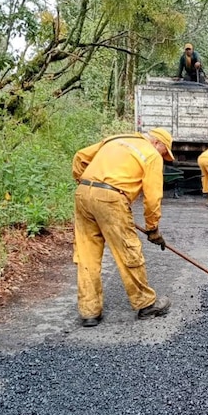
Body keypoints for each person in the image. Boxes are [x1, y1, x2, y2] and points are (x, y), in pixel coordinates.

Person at [72, 128, 175, 327]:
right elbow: (153, 197)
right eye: (164, 152)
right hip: (111, 198)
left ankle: (89, 311)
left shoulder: (115, 139)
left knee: (87, 255)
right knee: (128, 250)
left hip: (83, 193)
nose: (163, 156)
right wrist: (153, 229)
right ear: (157, 143)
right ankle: (145, 304)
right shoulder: (152, 155)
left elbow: (80, 157)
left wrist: (84, 183)